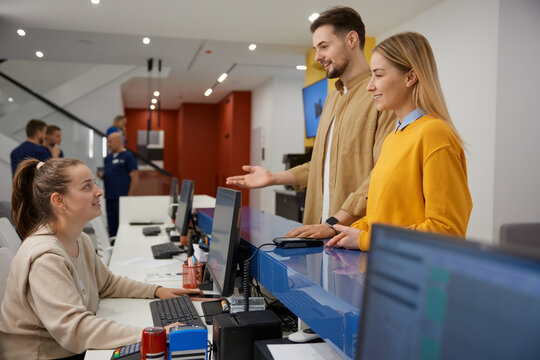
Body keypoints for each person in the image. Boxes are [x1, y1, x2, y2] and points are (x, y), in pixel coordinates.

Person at [0, 158, 201, 359]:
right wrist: (151, 333)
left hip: (70, 348)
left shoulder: (80, 239)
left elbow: (107, 284)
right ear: (59, 201)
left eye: (94, 182)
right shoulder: (45, 259)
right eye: (87, 186)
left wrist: (157, 291)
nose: (99, 191)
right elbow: (76, 330)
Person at [226, 7, 396, 238]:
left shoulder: (380, 96)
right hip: (318, 231)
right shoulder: (333, 97)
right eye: (316, 49)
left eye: (324, 46)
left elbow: (381, 175)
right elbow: (319, 165)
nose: (317, 57)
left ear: (352, 39)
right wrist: (273, 177)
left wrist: (335, 222)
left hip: (353, 236)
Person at [326, 32, 473, 250]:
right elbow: (383, 217)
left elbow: (447, 231)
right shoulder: (393, 138)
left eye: (378, 75)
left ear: (410, 77)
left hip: (418, 278)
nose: (370, 86)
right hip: (384, 271)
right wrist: (347, 230)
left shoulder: (435, 134)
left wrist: (367, 239)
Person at [98, 132, 139, 237]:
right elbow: (108, 175)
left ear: (119, 141)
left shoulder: (128, 156)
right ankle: (112, 249)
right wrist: (101, 175)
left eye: (110, 142)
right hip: (110, 197)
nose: (108, 144)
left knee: (123, 227)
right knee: (112, 227)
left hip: (122, 199)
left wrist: (129, 197)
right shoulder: (108, 158)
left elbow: (135, 178)